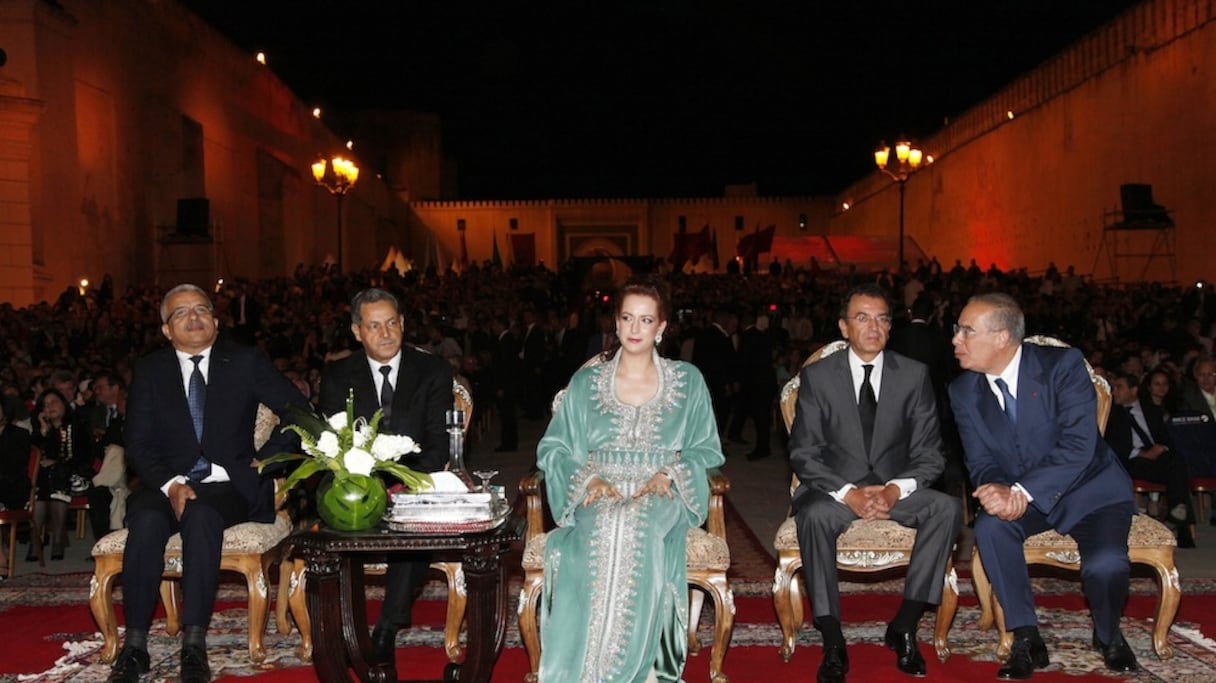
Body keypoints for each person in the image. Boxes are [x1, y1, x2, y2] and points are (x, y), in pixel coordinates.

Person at [107, 284, 303, 683]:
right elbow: (138, 442)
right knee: (143, 522)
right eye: (181, 313)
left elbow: (300, 411)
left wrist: (267, 458)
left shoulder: (244, 361)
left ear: (215, 321)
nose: (193, 318)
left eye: (201, 310)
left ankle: (194, 646)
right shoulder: (150, 370)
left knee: (200, 517)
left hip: (227, 484)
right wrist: (171, 484)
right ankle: (135, 647)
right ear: (166, 329)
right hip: (166, 483)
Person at [536, 274, 725, 682]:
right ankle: (588, 670)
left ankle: (628, 671)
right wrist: (588, 480)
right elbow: (554, 449)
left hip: (662, 491)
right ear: (616, 323)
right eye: (627, 318)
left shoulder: (688, 381)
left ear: (662, 327)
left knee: (635, 521)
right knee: (607, 521)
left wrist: (669, 472)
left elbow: (706, 449)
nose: (635, 329)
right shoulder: (586, 383)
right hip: (597, 488)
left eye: (645, 320)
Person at [949, 293, 1138, 679]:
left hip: (1090, 490)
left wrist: (1020, 492)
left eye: (967, 330)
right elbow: (980, 461)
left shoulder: (1062, 366)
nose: (956, 339)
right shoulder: (963, 391)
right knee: (990, 526)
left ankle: (1108, 635)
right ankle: (1026, 636)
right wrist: (993, 491)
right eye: (957, 329)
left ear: (1002, 337)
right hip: (1026, 496)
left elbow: (1078, 447)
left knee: (1106, 566)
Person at [788, 284, 961, 683]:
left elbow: (931, 453)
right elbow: (804, 452)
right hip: (835, 491)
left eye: (883, 318)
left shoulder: (914, 375)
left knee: (946, 507)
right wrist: (847, 492)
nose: (874, 326)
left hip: (892, 489)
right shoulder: (817, 377)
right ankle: (832, 639)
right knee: (813, 515)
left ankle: (904, 626)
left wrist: (894, 489)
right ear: (844, 327)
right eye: (863, 318)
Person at [318, 288, 453, 664]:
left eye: (392, 323)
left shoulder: (433, 370)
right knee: (331, 527)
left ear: (404, 324)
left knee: (414, 528)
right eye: (374, 326)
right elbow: (332, 441)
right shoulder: (337, 375)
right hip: (356, 485)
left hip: (412, 484)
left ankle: (387, 629)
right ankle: (342, 628)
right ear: (357, 331)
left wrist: (402, 486)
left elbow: (438, 445)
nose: (386, 333)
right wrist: (367, 485)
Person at [1104, 372, 1195, 546]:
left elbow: (1167, 439)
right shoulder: (1111, 414)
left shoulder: (1151, 410)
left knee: (1176, 461)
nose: (1114, 391)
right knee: (1175, 472)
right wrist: (1142, 453)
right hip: (1132, 460)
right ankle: (1180, 522)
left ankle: (1177, 511)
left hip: (1157, 458)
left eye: (1119, 387)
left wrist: (1161, 449)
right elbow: (1113, 446)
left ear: (1133, 390)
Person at [29, 388, 91, 560]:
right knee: (46, 478)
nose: (50, 407)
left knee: (56, 474)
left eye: (54, 402)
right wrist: (43, 430)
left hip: (75, 476)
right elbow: (36, 455)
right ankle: (37, 539)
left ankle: (55, 539)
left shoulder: (78, 424)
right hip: (48, 480)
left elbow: (85, 455)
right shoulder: (42, 429)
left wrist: (60, 463)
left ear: (63, 404)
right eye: (45, 404)